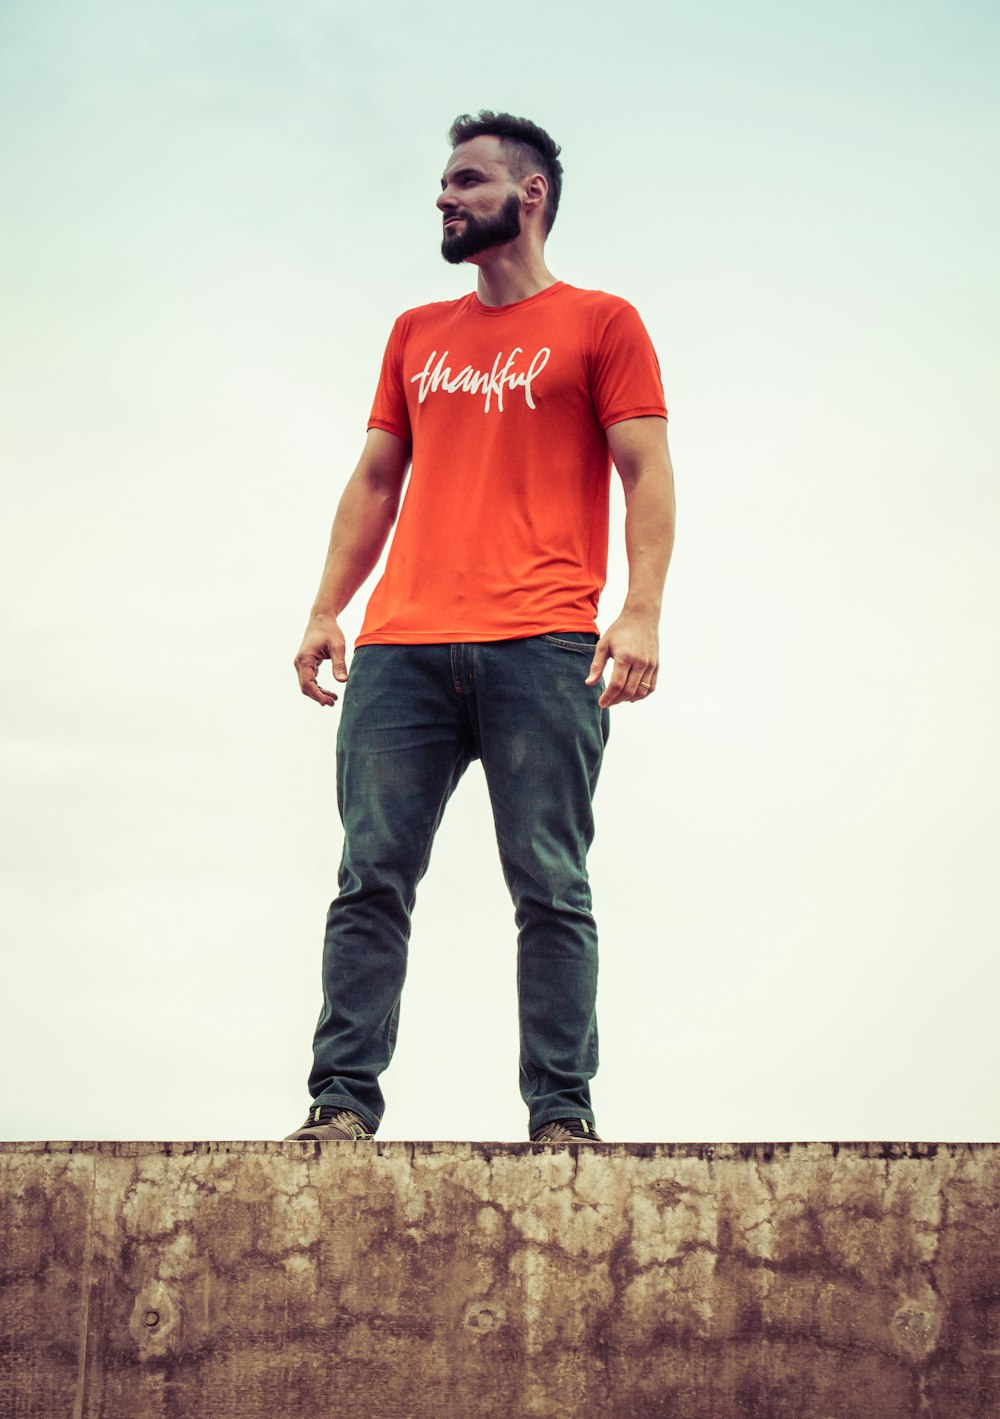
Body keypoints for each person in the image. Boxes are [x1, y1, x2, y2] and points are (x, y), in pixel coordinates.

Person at [285, 111, 675, 1145]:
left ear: (529, 193)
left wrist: (638, 611)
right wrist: (328, 607)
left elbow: (646, 473)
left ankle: (561, 1119)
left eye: (466, 181)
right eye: (444, 185)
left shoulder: (602, 323)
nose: (445, 199)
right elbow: (375, 479)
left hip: (544, 643)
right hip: (402, 647)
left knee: (549, 882)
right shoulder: (416, 333)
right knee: (370, 877)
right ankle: (339, 1106)